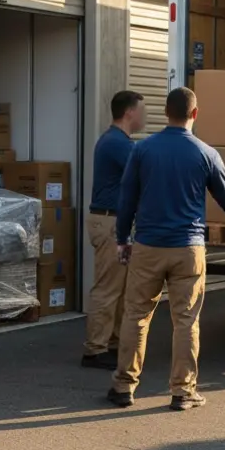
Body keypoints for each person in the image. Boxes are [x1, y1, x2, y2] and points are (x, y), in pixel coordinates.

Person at [107, 87, 225, 411]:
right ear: (195, 114)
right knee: (185, 321)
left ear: (166, 112)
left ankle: (124, 387)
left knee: (136, 316)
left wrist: (123, 238)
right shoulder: (206, 153)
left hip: (148, 246)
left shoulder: (142, 150)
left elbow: (126, 199)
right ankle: (183, 391)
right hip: (188, 249)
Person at [81, 90, 146, 369]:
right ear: (129, 113)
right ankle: (95, 350)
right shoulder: (117, 144)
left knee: (121, 288)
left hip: (115, 221)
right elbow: (147, 169)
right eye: (142, 110)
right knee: (108, 288)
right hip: (109, 222)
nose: (145, 116)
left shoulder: (118, 141)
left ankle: (113, 343)